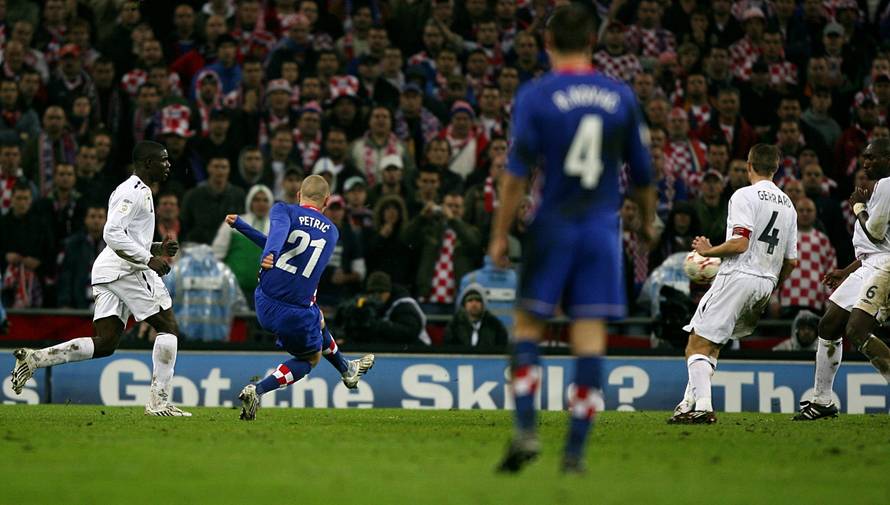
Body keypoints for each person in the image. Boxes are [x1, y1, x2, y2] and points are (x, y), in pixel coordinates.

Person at [487, 5, 655, 474]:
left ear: (547, 43)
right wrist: (646, 222)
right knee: (589, 338)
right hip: (602, 230)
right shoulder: (620, 96)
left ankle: (525, 429)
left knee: (527, 328)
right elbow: (642, 175)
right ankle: (575, 455)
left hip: (554, 224)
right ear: (592, 44)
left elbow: (516, 174)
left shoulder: (536, 95)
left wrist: (500, 235)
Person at [10, 140, 191, 416]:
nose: (169, 165)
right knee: (168, 327)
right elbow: (112, 233)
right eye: (163, 160)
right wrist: (148, 260)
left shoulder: (135, 191)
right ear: (147, 163)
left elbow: (128, 236)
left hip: (109, 270)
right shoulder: (134, 192)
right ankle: (158, 402)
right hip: (126, 270)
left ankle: (35, 359)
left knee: (105, 343)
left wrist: (156, 248)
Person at [669, 144, 799, 425]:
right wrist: (772, 287)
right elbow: (791, 261)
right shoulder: (789, 205)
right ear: (775, 168)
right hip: (765, 284)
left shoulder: (744, 195)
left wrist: (708, 250)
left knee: (696, 344)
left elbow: (740, 243)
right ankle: (687, 404)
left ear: (749, 165)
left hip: (739, 276)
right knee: (711, 344)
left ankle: (703, 407)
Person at [233, 175, 374, 421]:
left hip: (264, 302)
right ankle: (258, 390)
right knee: (310, 358)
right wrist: (272, 251)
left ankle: (347, 369)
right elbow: (281, 241)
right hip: (294, 312)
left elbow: (278, 235)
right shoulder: (332, 232)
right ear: (327, 201)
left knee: (317, 318)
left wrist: (246, 229)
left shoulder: (283, 209)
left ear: (299, 194)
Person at [794, 140, 890, 420]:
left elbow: (873, 233)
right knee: (829, 324)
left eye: (873, 158)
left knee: (857, 330)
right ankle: (822, 401)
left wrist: (857, 207)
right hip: (869, 265)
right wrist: (846, 271)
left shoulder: (886, 185)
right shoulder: (881, 190)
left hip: (884, 269)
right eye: (864, 157)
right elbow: (876, 246)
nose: (866, 162)